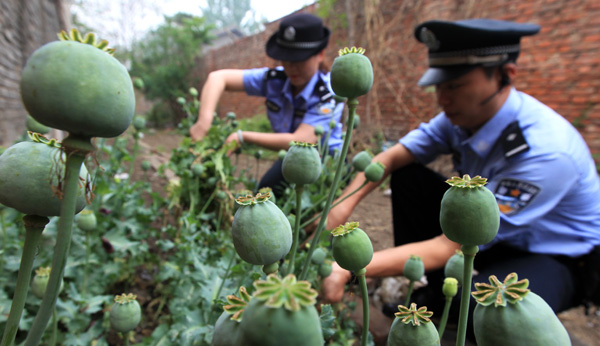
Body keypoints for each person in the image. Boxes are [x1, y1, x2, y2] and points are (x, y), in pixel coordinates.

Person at [320, 19, 600, 318]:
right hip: (490, 236)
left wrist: (349, 267)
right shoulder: (463, 116)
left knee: (485, 307)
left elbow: (451, 244)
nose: (442, 99)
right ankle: (434, 291)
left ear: (506, 75)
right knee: (407, 176)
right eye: (439, 86)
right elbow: (392, 157)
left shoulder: (547, 153)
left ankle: (449, 309)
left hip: (555, 256)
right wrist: (339, 208)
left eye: (454, 86)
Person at [190, 13, 344, 197]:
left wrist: (242, 136)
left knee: (307, 211)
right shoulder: (275, 79)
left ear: (320, 54)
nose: (291, 67)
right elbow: (217, 78)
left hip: (328, 163)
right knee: (267, 192)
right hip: (292, 157)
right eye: (286, 59)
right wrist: (204, 121)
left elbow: (302, 140)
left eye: (299, 60)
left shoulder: (328, 93)